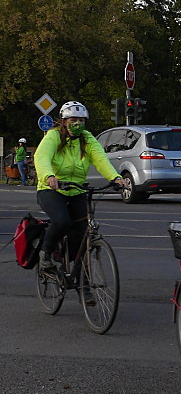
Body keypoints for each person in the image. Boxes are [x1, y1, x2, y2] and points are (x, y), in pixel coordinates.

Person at [34, 101, 124, 272]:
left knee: (81, 231)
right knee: (62, 221)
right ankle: (45, 253)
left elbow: (100, 159)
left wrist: (116, 177)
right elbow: (41, 156)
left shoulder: (88, 138)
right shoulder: (53, 136)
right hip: (52, 188)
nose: (77, 124)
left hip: (77, 189)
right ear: (63, 121)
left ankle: (74, 269)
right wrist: (49, 176)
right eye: (73, 120)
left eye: (81, 120)